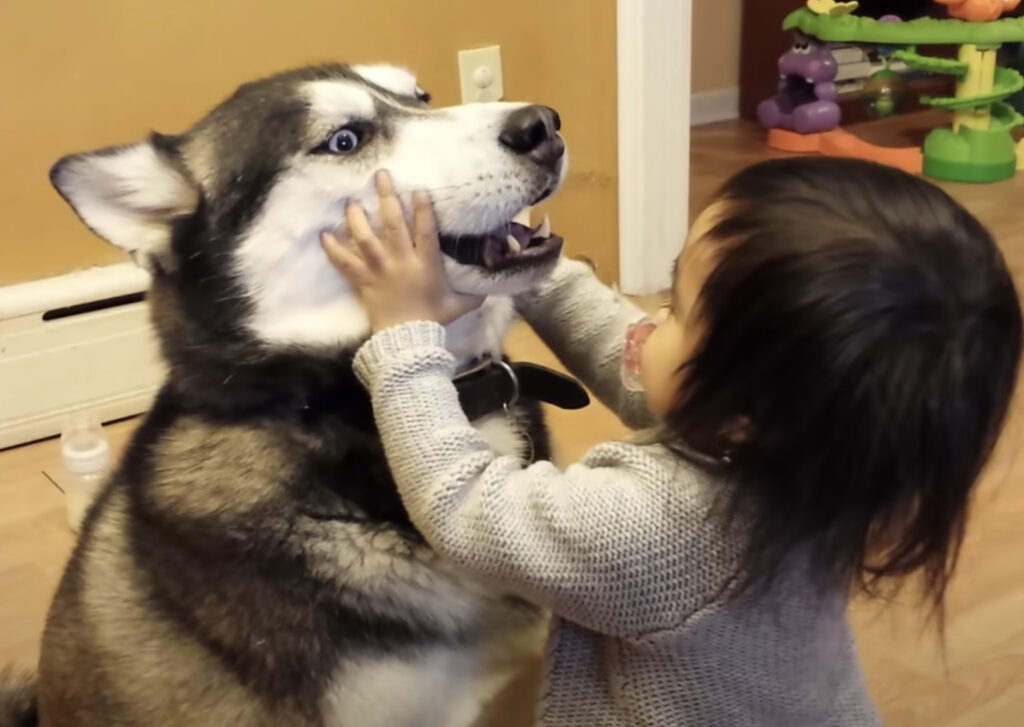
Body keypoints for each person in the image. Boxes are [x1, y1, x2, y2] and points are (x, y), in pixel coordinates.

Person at [320, 158, 1022, 726]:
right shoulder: (839, 453)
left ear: (745, 410)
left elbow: (466, 506)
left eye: (679, 309)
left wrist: (404, 335)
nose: (651, 318)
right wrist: (525, 265)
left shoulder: (657, 528)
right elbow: (635, 360)